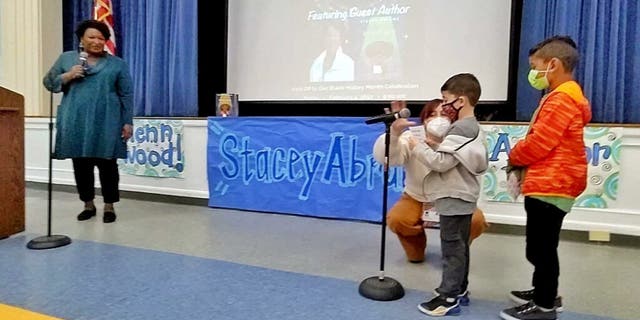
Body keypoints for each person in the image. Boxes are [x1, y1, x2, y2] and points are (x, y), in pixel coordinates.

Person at [500, 36, 591, 320]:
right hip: (551, 182)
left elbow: (541, 143)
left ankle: (544, 305)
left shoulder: (562, 98)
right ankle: (545, 291)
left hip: (553, 183)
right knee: (540, 245)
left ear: (553, 64)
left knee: (541, 247)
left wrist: (514, 154)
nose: (534, 73)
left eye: (535, 66)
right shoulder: (564, 96)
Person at [408, 73, 488, 317]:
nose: (443, 105)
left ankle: (448, 296)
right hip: (462, 195)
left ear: (460, 101)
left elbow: (441, 163)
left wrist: (418, 146)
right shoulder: (470, 127)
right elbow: (455, 157)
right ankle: (459, 289)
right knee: (460, 246)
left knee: (452, 247)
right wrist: (435, 145)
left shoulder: (462, 127)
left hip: (454, 195)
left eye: (446, 99)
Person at [372, 100, 489, 266]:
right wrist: (395, 132)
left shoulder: (460, 139)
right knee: (398, 219)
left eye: (444, 114)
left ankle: (457, 248)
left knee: (476, 221)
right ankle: (416, 243)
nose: (438, 119)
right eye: (432, 115)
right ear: (424, 119)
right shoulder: (411, 137)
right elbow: (388, 158)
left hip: (452, 197)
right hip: (417, 196)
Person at [43, 19, 134, 223]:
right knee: (81, 165)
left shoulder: (118, 64)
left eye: (101, 38)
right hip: (76, 120)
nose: (97, 41)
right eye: (92, 37)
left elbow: (126, 94)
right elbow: (49, 82)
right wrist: (67, 75)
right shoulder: (66, 59)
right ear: (82, 40)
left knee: (108, 165)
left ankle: (109, 206)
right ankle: (88, 204)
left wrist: (127, 122)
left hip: (108, 121)